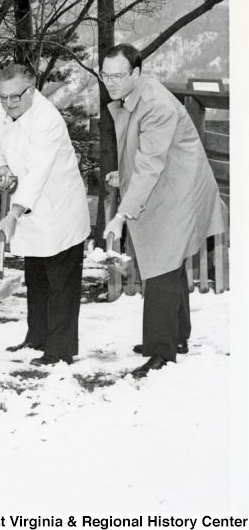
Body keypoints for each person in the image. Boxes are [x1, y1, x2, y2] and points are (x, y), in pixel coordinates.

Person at [101, 44, 226, 378]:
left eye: (117, 75)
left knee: (160, 266)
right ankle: (177, 337)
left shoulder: (155, 105)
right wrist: (123, 176)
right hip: (165, 187)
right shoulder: (135, 95)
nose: (110, 82)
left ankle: (161, 351)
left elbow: (150, 166)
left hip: (180, 192)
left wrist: (121, 215)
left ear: (136, 73)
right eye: (105, 75)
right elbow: (141, 154)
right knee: (169, 263)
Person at [0, 64, 90, 366]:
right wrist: (0, 169)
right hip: (29, 211)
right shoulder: (2, 109)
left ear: (31, 91)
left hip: (58, 211)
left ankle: (60, 350)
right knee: (38, 279)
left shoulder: (47, 120)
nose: (7, 104)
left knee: (61, 284)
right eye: (2, 97)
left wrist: (13, 215)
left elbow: (37, 174)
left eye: (15, 97)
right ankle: (37, 337)